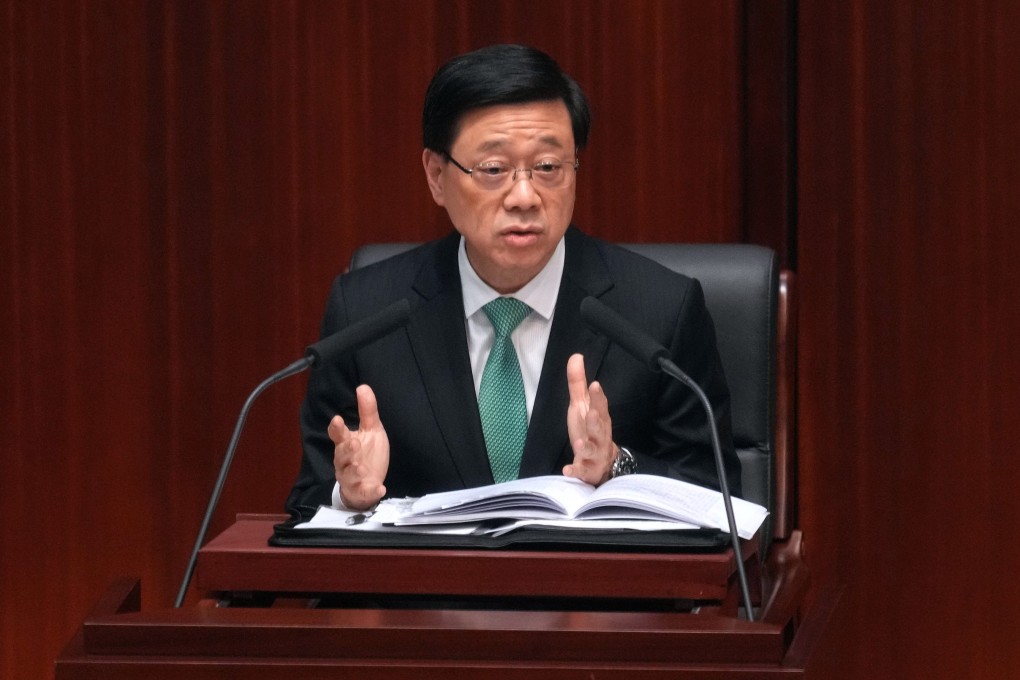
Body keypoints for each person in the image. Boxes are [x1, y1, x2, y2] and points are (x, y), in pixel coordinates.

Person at [286, 44, 739, 517]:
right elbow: (306, 504)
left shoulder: (659, 311)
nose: (524, 196)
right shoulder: (365, 313)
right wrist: (349, 497)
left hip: (592, 590)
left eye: (547, 167)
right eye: (494, 170)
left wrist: (616, 467)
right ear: (437, 176)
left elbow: (722, 502)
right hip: (423, 592)